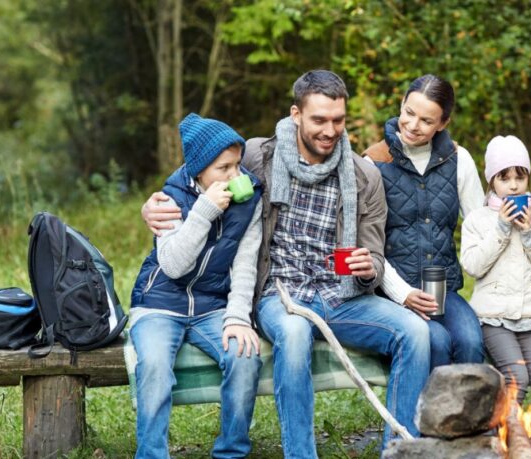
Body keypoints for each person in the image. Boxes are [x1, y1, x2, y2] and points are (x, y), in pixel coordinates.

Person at [142, 70, 430, 458]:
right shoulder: (259, 155)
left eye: (338, 120)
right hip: (280, 292)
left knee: (414, 332)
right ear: (296, 114)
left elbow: (375, 254)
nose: (331, 130)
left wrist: (368, 267)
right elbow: (201, 166)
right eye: (319, 120)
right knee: (294, 335)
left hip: (339, 294)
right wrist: (156, 202)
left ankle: (400, 451)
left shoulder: (364, 176)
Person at [129, 113, 264, 459]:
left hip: (212, 305)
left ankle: (231, 452)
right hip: (159, 303)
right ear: (199, 171)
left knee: (244, 357)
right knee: (155, 366)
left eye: (237, 165)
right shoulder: (170, 199)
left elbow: (246, 264)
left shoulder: (248, 201)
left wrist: (237, 317)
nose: (235, 175)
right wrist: (203, 212)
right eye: (224, 168)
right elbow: (173, 265)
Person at [362, 74, 485, 369]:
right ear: (401, 105)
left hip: (444, 290)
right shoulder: (373, 162)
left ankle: (468, 415)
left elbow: (482, 227)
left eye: (426, 121)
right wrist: (402, 294)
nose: (413, 125)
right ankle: (430, 415)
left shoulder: (459, 159)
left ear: (443, 123)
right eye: (409, 113)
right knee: (436, 342)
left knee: (471, 341)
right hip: (393, 293)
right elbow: (368, 244)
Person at [459, 135, 531, 407]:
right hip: (492, 317)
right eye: (504, 178)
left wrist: (530, 235)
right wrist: (502, 228)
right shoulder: (477, 220)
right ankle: (507, 443)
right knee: (516, 377)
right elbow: (472, 266)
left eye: (520, 177)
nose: (514, 185)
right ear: (491, 181)